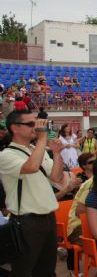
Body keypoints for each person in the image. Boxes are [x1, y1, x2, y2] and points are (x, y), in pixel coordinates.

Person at [0, 110, 64, 277]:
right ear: (15, 128)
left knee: (47, 271)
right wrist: (43, 139)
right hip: (26, 222)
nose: (36, 127)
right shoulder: (6, 155)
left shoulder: (36, 149)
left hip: (49, 219)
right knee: (24, 271)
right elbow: (31, 167)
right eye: (30, 124)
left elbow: (57, 178)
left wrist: (56, 153)